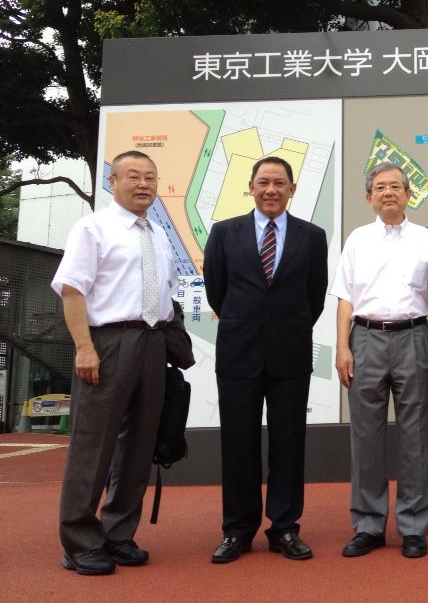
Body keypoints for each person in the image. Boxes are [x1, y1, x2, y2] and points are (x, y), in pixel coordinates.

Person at [52, 150, 178, 575]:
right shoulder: (93, 228)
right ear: (113, 182)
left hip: (153, 342)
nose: (143, 184)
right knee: (93, 444)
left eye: (150, 177)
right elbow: (72, 290)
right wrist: (84, 347)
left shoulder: (158, 233)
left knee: (140, 444)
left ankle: (118, 532)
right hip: (107, 342)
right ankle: (79, 541)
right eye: (133, 176)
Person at [203, 156, 328, 563]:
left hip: (290, 352)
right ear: (251, 187)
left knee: (289, 442)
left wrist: (286, 326)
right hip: (238, 352)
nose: (271, 190)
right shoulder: (225, 233)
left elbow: (315, 295)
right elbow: (216, 292)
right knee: (238, 442)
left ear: (293, 189)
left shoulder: (312, 236)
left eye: (279, 183)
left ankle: (285, 527)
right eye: (263, 182)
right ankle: (237, 530)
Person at [330, 163, 428, 559]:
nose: (388, 192)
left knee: (416, 435)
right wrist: (342, 347)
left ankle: (414, 526)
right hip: (365, 339)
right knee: (365, 436)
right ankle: (368, 525)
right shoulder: (358, 239)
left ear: (408, 194)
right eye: (380, 187)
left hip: (414, 337)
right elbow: (345, 297)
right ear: (368, 197)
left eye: (395, 186)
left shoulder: (427, 240)